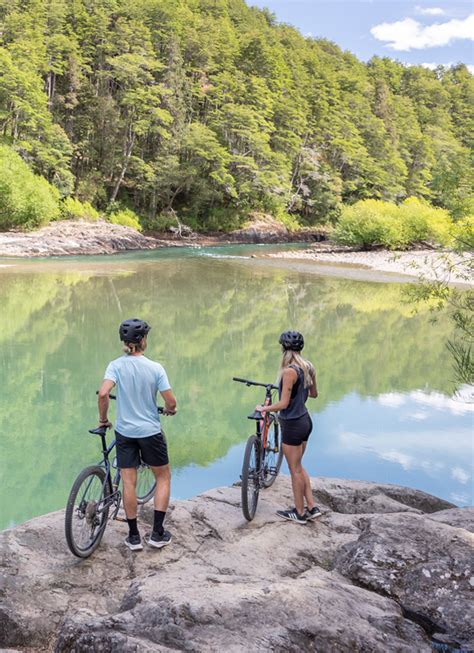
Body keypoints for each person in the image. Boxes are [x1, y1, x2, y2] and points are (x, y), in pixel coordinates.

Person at [97, 318, 177, 551]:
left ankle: (133, 537)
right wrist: (170, 409)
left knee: (128, 482)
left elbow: (103, 393)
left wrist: (103, 419)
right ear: (142, 340)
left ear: (124, 342)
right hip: (150, 432)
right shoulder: (155, 368)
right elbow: (170, 401)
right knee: (163, 477)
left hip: (124, 432)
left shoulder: (115, 365)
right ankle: (157, 534)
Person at [256, 330, 321, 524]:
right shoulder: (308, 366)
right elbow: (315, 394)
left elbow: (283, 404)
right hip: (305, 421)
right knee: (299, 466)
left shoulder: (289, 372)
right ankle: (312, 506)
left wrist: (264, 408)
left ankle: (299, 513)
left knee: (294, 470)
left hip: (292, 425)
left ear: (283, 349)